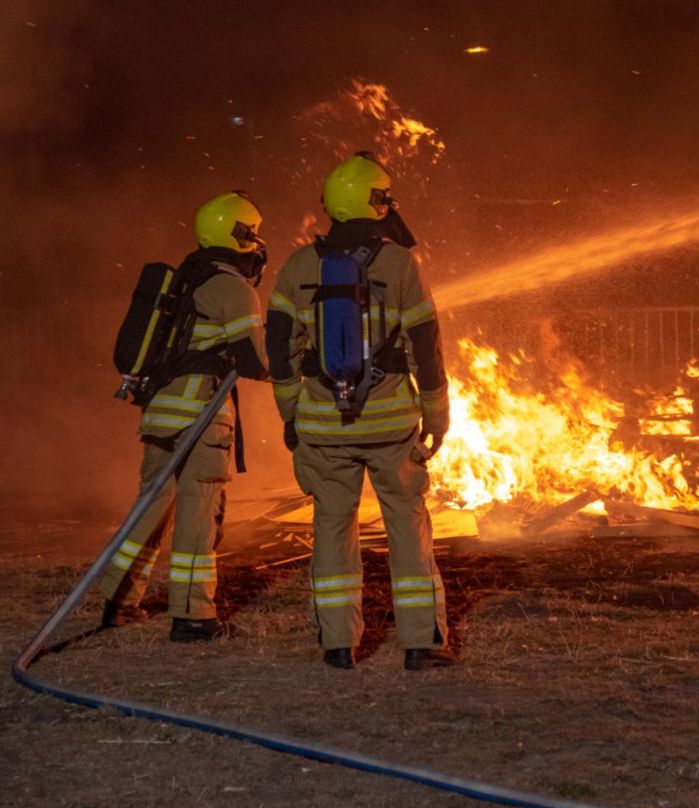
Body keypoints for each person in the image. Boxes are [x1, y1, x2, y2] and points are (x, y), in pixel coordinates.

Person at [265, 151, 452, 670]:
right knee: (407, 525)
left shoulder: (299, 265)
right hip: (392, 425)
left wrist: (290, 413)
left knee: (331, 527)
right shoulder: (399, 264)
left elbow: (280, 350)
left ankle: (337, 645)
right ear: (376, 203)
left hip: (323, 428)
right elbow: (425, 346)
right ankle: (419, 644)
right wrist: (436, 417)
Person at [98, 191, 270, 641]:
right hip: (200, 417)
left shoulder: (185, 281)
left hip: (160, 412)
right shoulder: (233, 287)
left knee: (151, 506)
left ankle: (118, 599)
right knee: (198, 512)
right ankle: (193, 615)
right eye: (253, 233)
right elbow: (257, 360)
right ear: (241, 234)